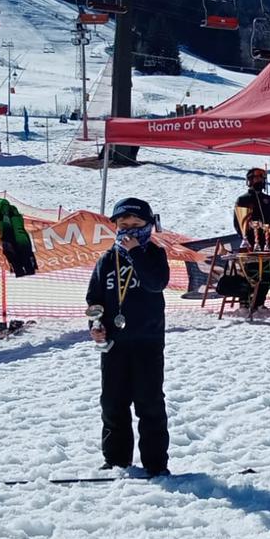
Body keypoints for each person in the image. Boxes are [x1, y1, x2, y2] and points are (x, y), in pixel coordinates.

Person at [86, 197, 171, 476]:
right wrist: (96, 324)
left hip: (147, 342)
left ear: (148, 225)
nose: (130, 230)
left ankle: (156, 464)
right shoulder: (107, 260)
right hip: (114, 345)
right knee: (112, 403)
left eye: (136, 224)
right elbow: (94, 299)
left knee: (149, 403)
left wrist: (135, 252)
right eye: (124, 225)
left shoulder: (154, 254)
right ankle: (116, 460)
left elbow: (156, 283)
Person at [233, 166, 270, 313]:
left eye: (261, 178)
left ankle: (260, 302)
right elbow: (238, 223)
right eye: (256, 178)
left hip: (268, 243)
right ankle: (245, 302)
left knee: (267, 274)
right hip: (250, 245)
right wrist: (246, 238)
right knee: (250, 273)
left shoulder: (269, 199)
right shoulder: (243, 199)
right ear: (249, 180)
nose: (259, 180)